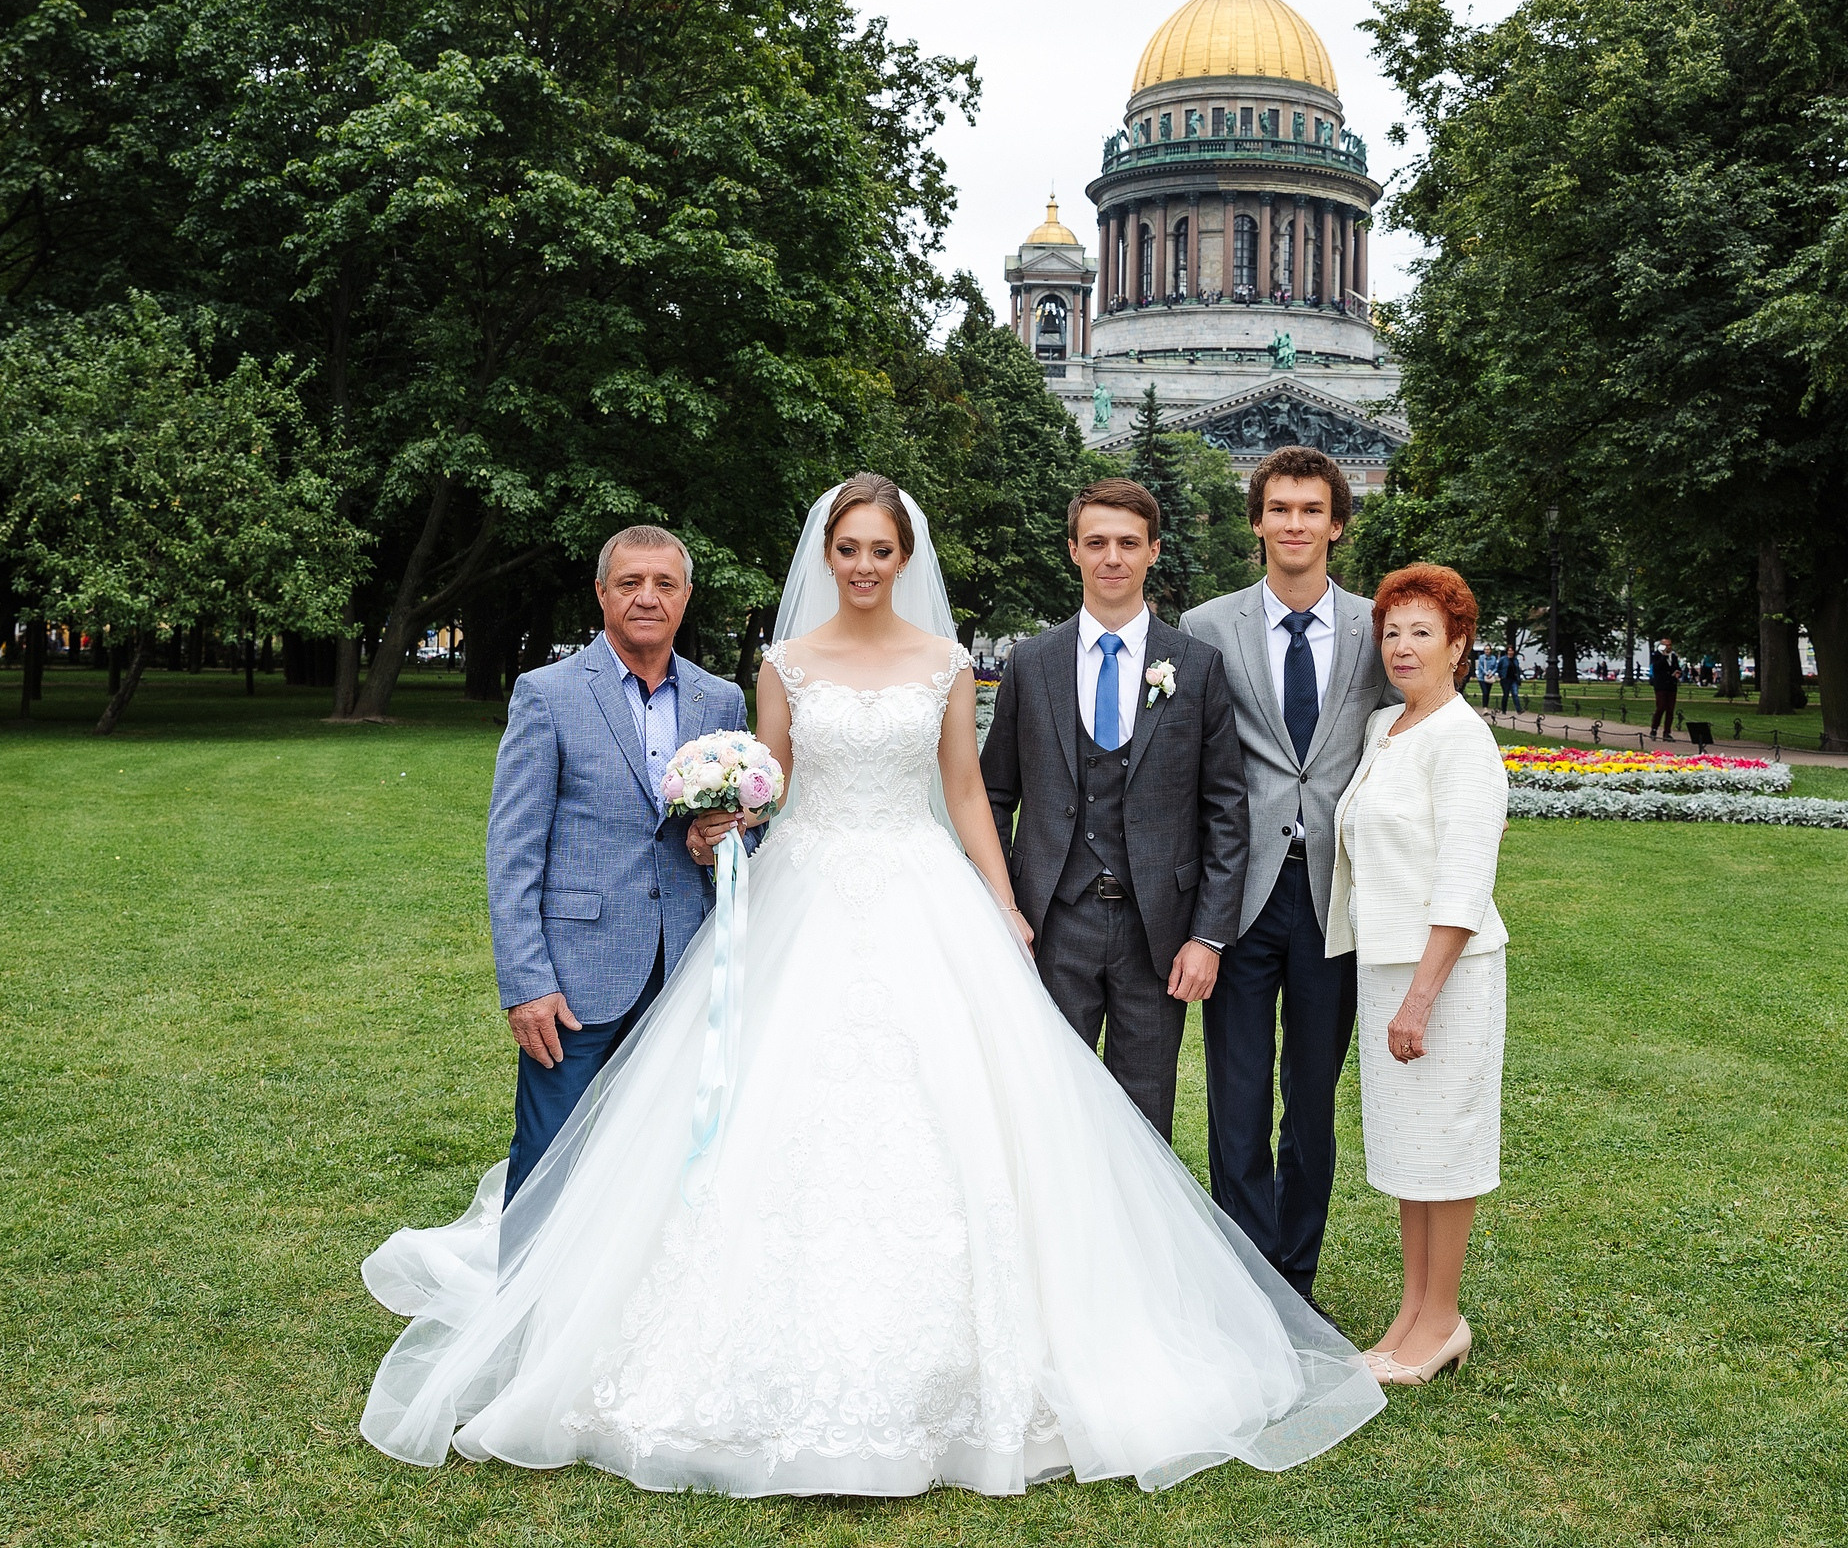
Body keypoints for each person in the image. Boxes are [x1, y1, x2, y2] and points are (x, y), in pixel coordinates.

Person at [358, 475, 1383, 1496]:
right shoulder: (782, 665)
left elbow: (966, 788)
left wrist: (1002, 900)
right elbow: (775, 780)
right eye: (846, 548)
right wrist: (731, 814)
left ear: (904, 559)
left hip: (917, 891)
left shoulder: (943, 662)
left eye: (878, 550)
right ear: (826, 554)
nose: (860, 565)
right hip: (805, 892)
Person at [1179, 448, 1394, 1305]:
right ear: (1257, 522)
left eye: (1311, 510)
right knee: (1234, 1099)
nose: (1294, 525)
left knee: (1312, 1099)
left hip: (1336, 898)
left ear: (1336, 523)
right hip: (1237, 895)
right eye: (1279, 509)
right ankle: (1247, 1282)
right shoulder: (1205, 628)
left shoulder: (1379, 629)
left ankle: (1294, 1279)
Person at [978, 477, 1250, 1140]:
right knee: (1046, 1102)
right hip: (1050, 924)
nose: (1112, 557)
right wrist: (1001, 909)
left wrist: (1208, 937)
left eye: (1129, 543)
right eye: (1096, 542)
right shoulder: (1030, 663)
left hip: (1157, 931)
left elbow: (1225, 808)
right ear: (1073, 550)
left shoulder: (1197, 666)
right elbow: (992, 794)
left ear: (1153, 550)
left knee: (1145, 1113)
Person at [484, 526, 751, 1202]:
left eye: (664, 584)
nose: (647, 598)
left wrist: (720, 841)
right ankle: (522, 1309)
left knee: (668, 1157)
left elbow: (747, 838)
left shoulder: (719, 701)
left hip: (688, 968)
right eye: (630, 583)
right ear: (602, 593)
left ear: (686, 597)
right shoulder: (548, 695)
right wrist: (525, 982)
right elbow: (513, 850)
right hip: (575, 979)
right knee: (547, 1159)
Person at [1328, 563, 1510, 1386]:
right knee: (1409, 1151)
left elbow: (1464, 884)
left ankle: (1442, 1322)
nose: (1402, 647)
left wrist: (1422, 998)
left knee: (1447, 1145)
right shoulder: (1385, 728)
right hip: (1385, 963)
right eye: (1391, 631)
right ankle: (1410, 1312)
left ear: (1459, 644)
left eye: (1422, 632)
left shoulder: (1463, 743)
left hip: (1445, 973)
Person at [1648, 638, 1679, 739]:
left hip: (1671, 685)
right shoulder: (1656, 655)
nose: (1668, 647)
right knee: (1661, 707)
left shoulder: (1673, 656)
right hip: (1661, 685)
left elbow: (1676, 667)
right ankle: (1654, 729)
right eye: (1666, 645)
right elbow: (1656, 668)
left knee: (1670, 709)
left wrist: (1677, 672)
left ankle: (1667, 732)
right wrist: (1663, 657)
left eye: (1670, 645)